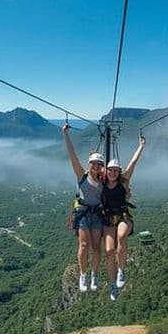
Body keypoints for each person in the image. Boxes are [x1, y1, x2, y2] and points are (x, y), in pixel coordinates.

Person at [103, 135, 145, 301]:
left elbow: (132, 163)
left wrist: (141, 146)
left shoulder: (124, 182)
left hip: (123, 216)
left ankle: (121, 270)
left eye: (115, 171)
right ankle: (113, 285)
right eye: (110, 170)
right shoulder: (102, 183)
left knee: (121, 236)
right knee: (108, 252)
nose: (113, 173)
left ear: (118, 172)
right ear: (106, 171)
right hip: (107, 219)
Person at [63, 123, 104, 292]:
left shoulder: (104, 180)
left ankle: (94, 275)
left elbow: (120, 181)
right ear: (90, 164)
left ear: (101, 167)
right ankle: (83, 275)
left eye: (99, 164)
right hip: (82, 213)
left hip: (97, 214)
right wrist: (65, 135)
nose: (96, 167)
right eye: (94, 164)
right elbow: (72, 156)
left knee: (96, 247)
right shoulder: (82, 175)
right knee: (84, 245)